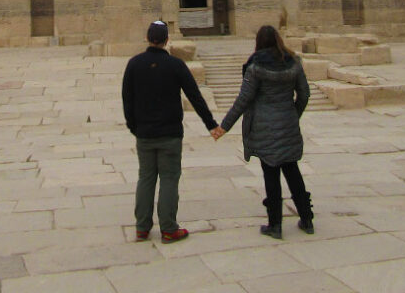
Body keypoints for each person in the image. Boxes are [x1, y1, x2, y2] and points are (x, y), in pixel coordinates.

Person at [211, 25, 314, 239]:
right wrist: (293, 114)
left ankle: (275, 225)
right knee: (292, 171)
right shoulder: (293, 62)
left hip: (264, 128)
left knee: (271, 174)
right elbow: (304, 94)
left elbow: (244, 99)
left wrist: (224, 126)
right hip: (287, 124)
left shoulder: (255, 66)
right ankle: (307, 219)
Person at [122, 20, 219, 243]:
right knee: (168, 179)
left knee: (145, 178)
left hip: (144, 134)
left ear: (147, 38)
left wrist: (133, 127)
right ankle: (168, 228)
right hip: (170, 134)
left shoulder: (134, 64)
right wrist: (211, 125)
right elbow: (195, 96)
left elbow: (127, 100)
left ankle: (142, 227)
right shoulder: (175, 65)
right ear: (167, 40)